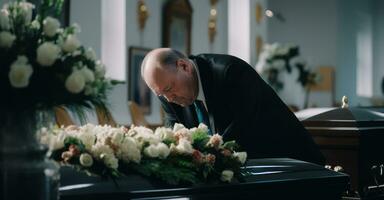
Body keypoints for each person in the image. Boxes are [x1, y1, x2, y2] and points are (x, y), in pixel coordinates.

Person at [141, 48, 325, 165]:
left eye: (169, 89)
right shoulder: (167, 95)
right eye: (161, 95)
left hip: (292, 163)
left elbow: (238, 134)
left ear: (184, 66)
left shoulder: (231, 73)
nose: (169, 98)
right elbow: (176, 136)